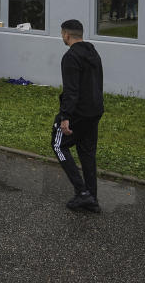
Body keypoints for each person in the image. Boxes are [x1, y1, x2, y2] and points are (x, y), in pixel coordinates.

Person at [51, 19, 104, 213]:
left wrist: (65, 117)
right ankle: (92, 198)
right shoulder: (93, 52)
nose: (62, 37)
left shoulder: (70, 57)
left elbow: (71, 90)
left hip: (78, 113)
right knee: (87, 152)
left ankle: (83, 193)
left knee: (58, 145)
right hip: (95, 111)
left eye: (62, 34)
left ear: (66, 34)